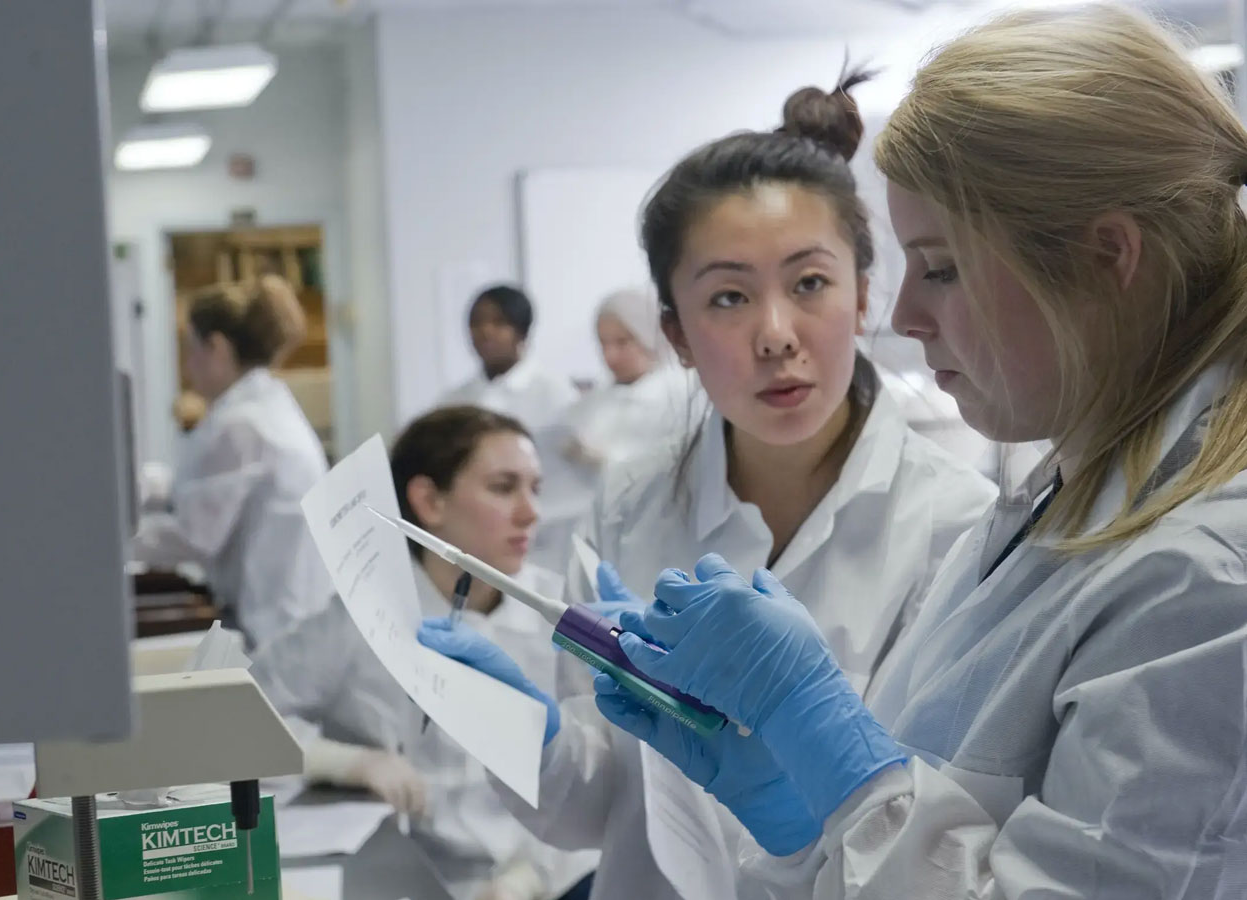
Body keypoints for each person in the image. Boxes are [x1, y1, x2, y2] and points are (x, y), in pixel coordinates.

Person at [582, 7, 1247, 897]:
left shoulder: (1207, 583)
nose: (903, 319)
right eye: (728, 299)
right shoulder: (1058, 492)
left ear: (1104, 258)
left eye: (942, 267)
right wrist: (799, 811)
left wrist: (837, 761)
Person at [420, 71, 997, 899]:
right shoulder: (632, 501)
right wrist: (526, 732)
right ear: (676, 336)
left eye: (809, 284)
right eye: (728, 297)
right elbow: (599, 808)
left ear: (865, 294)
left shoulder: (957, 528)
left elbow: (945, 857)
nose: (775, 336)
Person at [251, 407, 597, 900]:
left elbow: (598, 782)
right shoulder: (360, 616)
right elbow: (241, 716)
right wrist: (346, 762)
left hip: (540, 880)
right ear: (429, 501)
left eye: (535, 488)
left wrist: (529, 878)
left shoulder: (560, 621)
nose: (531, 512)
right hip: (398, 877)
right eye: (504, 487)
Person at [130, 276, 332, 649]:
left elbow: (194, 537)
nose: (189, 365)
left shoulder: (244, 424)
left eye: (192, 349)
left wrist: (118, 541)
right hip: (286, 614)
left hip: (271, 627)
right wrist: (140, 486)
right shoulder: (261, 405)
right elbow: (197, 489)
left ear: (217, 347)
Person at [563, 287, 691, 470]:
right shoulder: (594, 400)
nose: (609, 356)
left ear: (650, 338)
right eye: (603, 343)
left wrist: (607, 462)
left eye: (622, 342)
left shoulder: (683, 399)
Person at [441, 284, 579, 432]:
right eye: (476, 322)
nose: (485, 331)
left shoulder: (557, 396)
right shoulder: (454, 401)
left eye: (499, 323)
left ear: (522, 332)